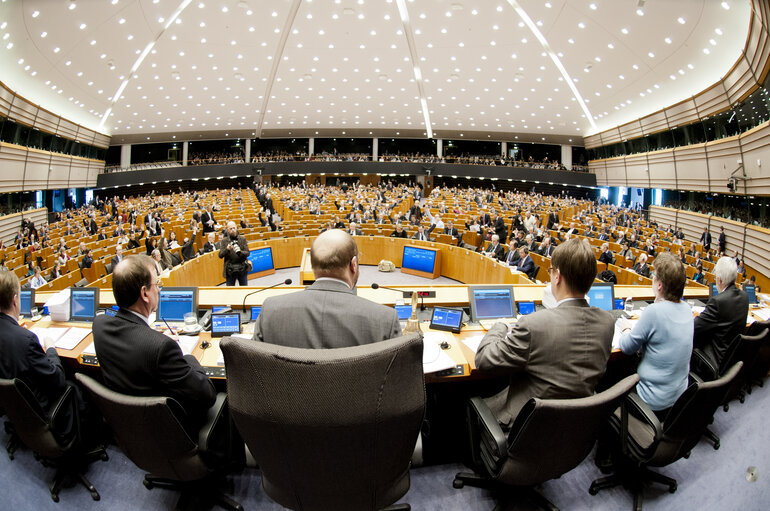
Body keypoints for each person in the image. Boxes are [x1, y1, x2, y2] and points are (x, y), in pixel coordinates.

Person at [474, 238, 614, 428]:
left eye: (551, 271)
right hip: (578, 427)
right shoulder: (607, 322)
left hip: (529, 428)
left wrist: (499, 326)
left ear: (558, 277)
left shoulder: (533, 325)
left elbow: (484, 360)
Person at [92, 255, 216, 431]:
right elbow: (207, 395)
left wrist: (153, 336)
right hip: (168, 429)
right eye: (157, 284)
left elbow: (135, 340)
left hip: (131, 428)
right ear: (144, 293)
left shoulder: (99, 325)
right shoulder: (162, 347)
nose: (159, 290)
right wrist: (184, 353)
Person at [253, 229, 400, 348]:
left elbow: (252, 370)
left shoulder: (270, 311)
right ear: (353, 265)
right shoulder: (385, 320)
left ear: (312, 265)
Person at [0, 271, 79, 439]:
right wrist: (50, 348)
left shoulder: (19, 336)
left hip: (14, 408)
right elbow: (57, 379)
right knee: (76, 384)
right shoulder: (26, 339)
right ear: (15, 300)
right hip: (40, 411)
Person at [616, 252, 693, 418]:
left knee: (611, 380)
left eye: (654, 275)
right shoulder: (687, 309)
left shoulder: (654, 312)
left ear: (660, 285)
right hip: (678, 397)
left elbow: (627, 347)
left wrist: (626, 329)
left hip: (651, 402)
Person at [692, 257, 749, 374]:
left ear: (719, 280)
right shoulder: (744, 296)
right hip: (731, 356)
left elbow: (694, 327)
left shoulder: (718, 301)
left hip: (716, 360)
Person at [219, 221, 249, 286]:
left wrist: (240, 252)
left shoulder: (242, 239)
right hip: (230, 270)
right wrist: (227, 249)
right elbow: (220, 255)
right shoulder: (224, 241)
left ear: (236, 228)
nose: (233, 230)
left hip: (242, 268)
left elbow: (247, 253)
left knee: (244, 289)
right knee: (230, 291)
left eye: (234, 228)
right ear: (227, 230)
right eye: (230, 229)